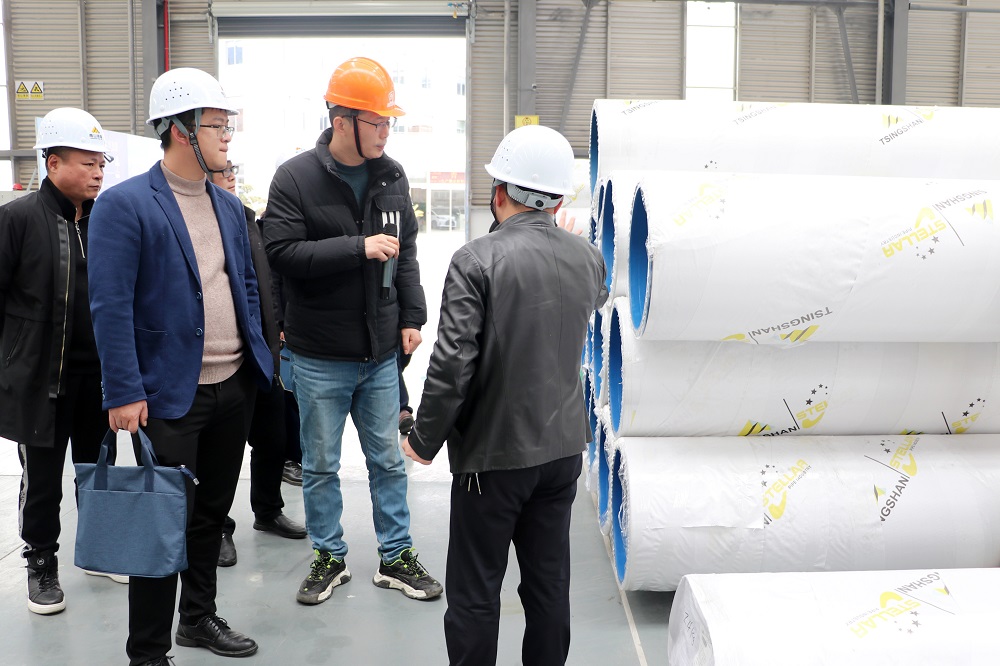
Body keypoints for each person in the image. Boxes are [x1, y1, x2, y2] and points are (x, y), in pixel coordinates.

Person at [402, 124, 608, 666]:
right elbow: (591, 298)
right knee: (548, 586)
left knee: (475, 592)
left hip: (493, 459)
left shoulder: (475, 260)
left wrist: (423, 439)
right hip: (562, 453)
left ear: (499, 193)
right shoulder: (588, 258)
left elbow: (452, 365)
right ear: (558, 200)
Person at [88, 68, 272, 665]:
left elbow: (244, 284)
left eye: (227, 125)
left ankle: (196, 618)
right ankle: (147, 651)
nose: (226, 136)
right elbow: (110, 306)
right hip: (168, 395)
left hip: (232, 386)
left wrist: (255, 355)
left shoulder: (228, 205)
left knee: (211, 516)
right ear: (178, 128)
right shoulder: (124, 205)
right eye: (216, 125)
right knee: (160, 525)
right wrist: (123, 391)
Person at [264, 56, 441, 606]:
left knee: (388, 461)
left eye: (389, 122)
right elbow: (281, 252)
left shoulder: (392, 176)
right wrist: (356, 248)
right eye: (377, 121)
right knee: (319, 466)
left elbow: (406, 252)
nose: (386, 132)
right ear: (342, 121)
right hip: (319, 355)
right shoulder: (294, 178)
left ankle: (396, 556)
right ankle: (329, 556)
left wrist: (411, 316)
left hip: (380, 353)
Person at [0, 107, 121, 615]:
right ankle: (41, 562)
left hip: (99, 378)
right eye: (87, 163)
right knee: (43, 479)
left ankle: (99, 550)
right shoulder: (18, 219)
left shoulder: (107, 221)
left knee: (99, 470)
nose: (98, 172)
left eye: (101, 163)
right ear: (53, 164)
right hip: (40, 378)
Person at [210, 162, 307, 568]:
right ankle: (216, 526)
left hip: (261, 350)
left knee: (273, 437)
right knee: (222, 451)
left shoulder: (248, 219)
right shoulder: (202, 221)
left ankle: (267, 511)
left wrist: (277, 330)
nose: (231, 174)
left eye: (232, 168)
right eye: (223, 170)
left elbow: (267, 282)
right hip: (222, 354)